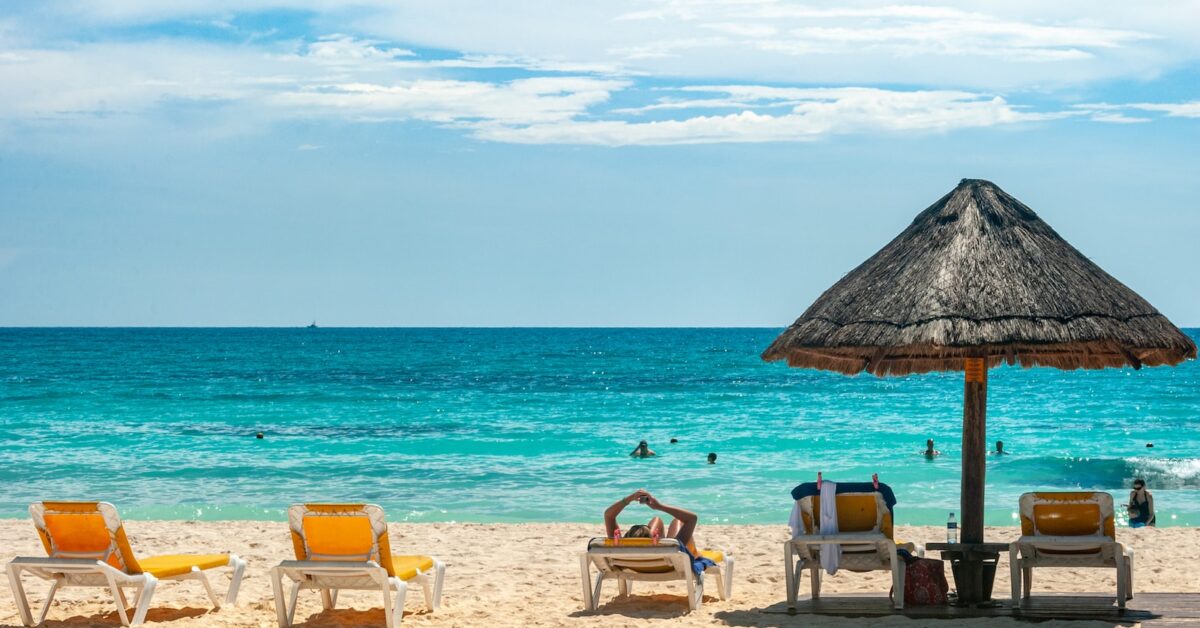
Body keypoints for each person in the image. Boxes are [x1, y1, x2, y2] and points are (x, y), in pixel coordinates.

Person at [604, 489, 698, 552]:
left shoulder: (620, 549)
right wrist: (659, 506)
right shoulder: (672, 549)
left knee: (656, 520)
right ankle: (696, 553)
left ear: (626, 537)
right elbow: (692, 518)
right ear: (654, 538)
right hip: (664, 567)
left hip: (630, 566)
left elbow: (608, 515)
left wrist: (629, 499)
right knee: (677, 521)